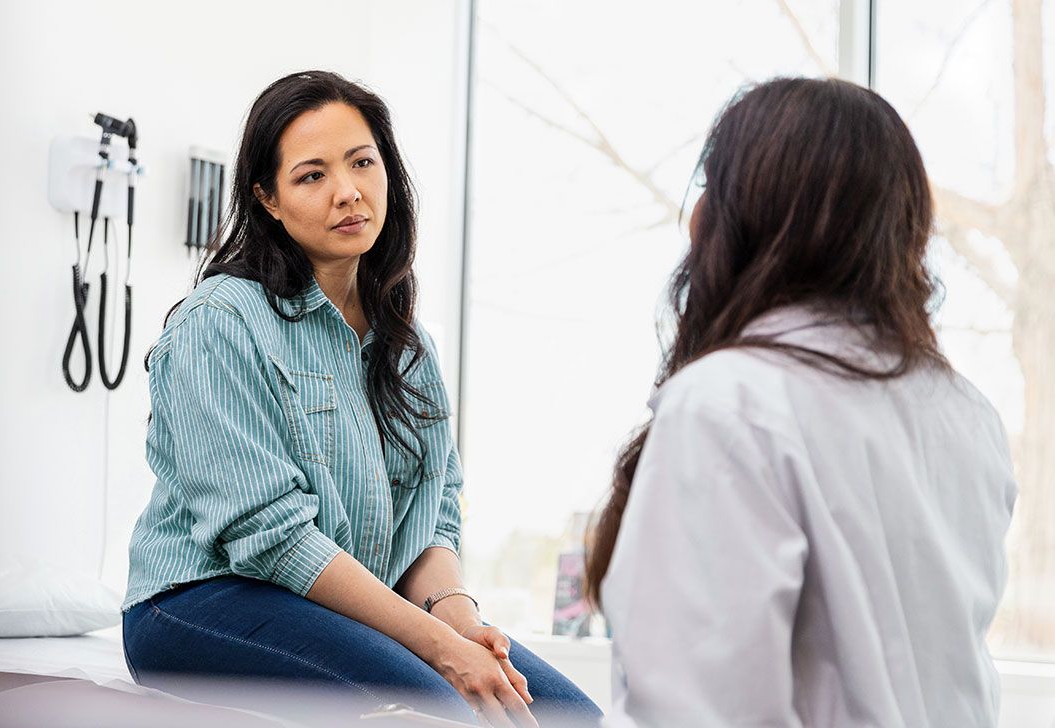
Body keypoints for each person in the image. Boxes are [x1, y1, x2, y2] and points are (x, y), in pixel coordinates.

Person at [122, 70, 601, 728]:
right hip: (196, 602)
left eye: (362, 163)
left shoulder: (410, 347)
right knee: (444, 708)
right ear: (267, 198)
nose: (347, 192)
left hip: (339, 607)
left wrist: (459, 617)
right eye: (312, 175)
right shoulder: (220, 322)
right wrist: (438, 648)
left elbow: (433, 519)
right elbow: (272, 539)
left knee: (571, 717)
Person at [586, 77, 1016, 728]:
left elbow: (696, 713)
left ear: (733, 217)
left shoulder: (727, 405)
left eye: (710, 188)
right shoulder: (968, 414)